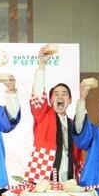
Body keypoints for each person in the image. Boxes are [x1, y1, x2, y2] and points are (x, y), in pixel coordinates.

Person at [24, 47, 83, 184]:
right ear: (50, 101)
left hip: (69, 176)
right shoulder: (44, 115)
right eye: (56, 94)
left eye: (64, 94)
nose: (60, 97)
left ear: (69, 100)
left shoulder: (73, 124)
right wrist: (42, 66)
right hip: (43, 175)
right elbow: (38, 94)